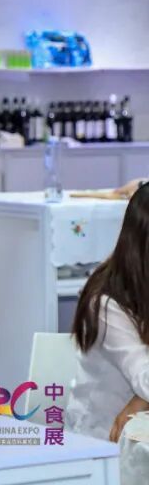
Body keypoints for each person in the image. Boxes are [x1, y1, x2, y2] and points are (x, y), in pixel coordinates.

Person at [69, 183, 149, 442]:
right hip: (101, 442)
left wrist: (141, 400)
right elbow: (144, 378)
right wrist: (143, 398)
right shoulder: (106, 303)